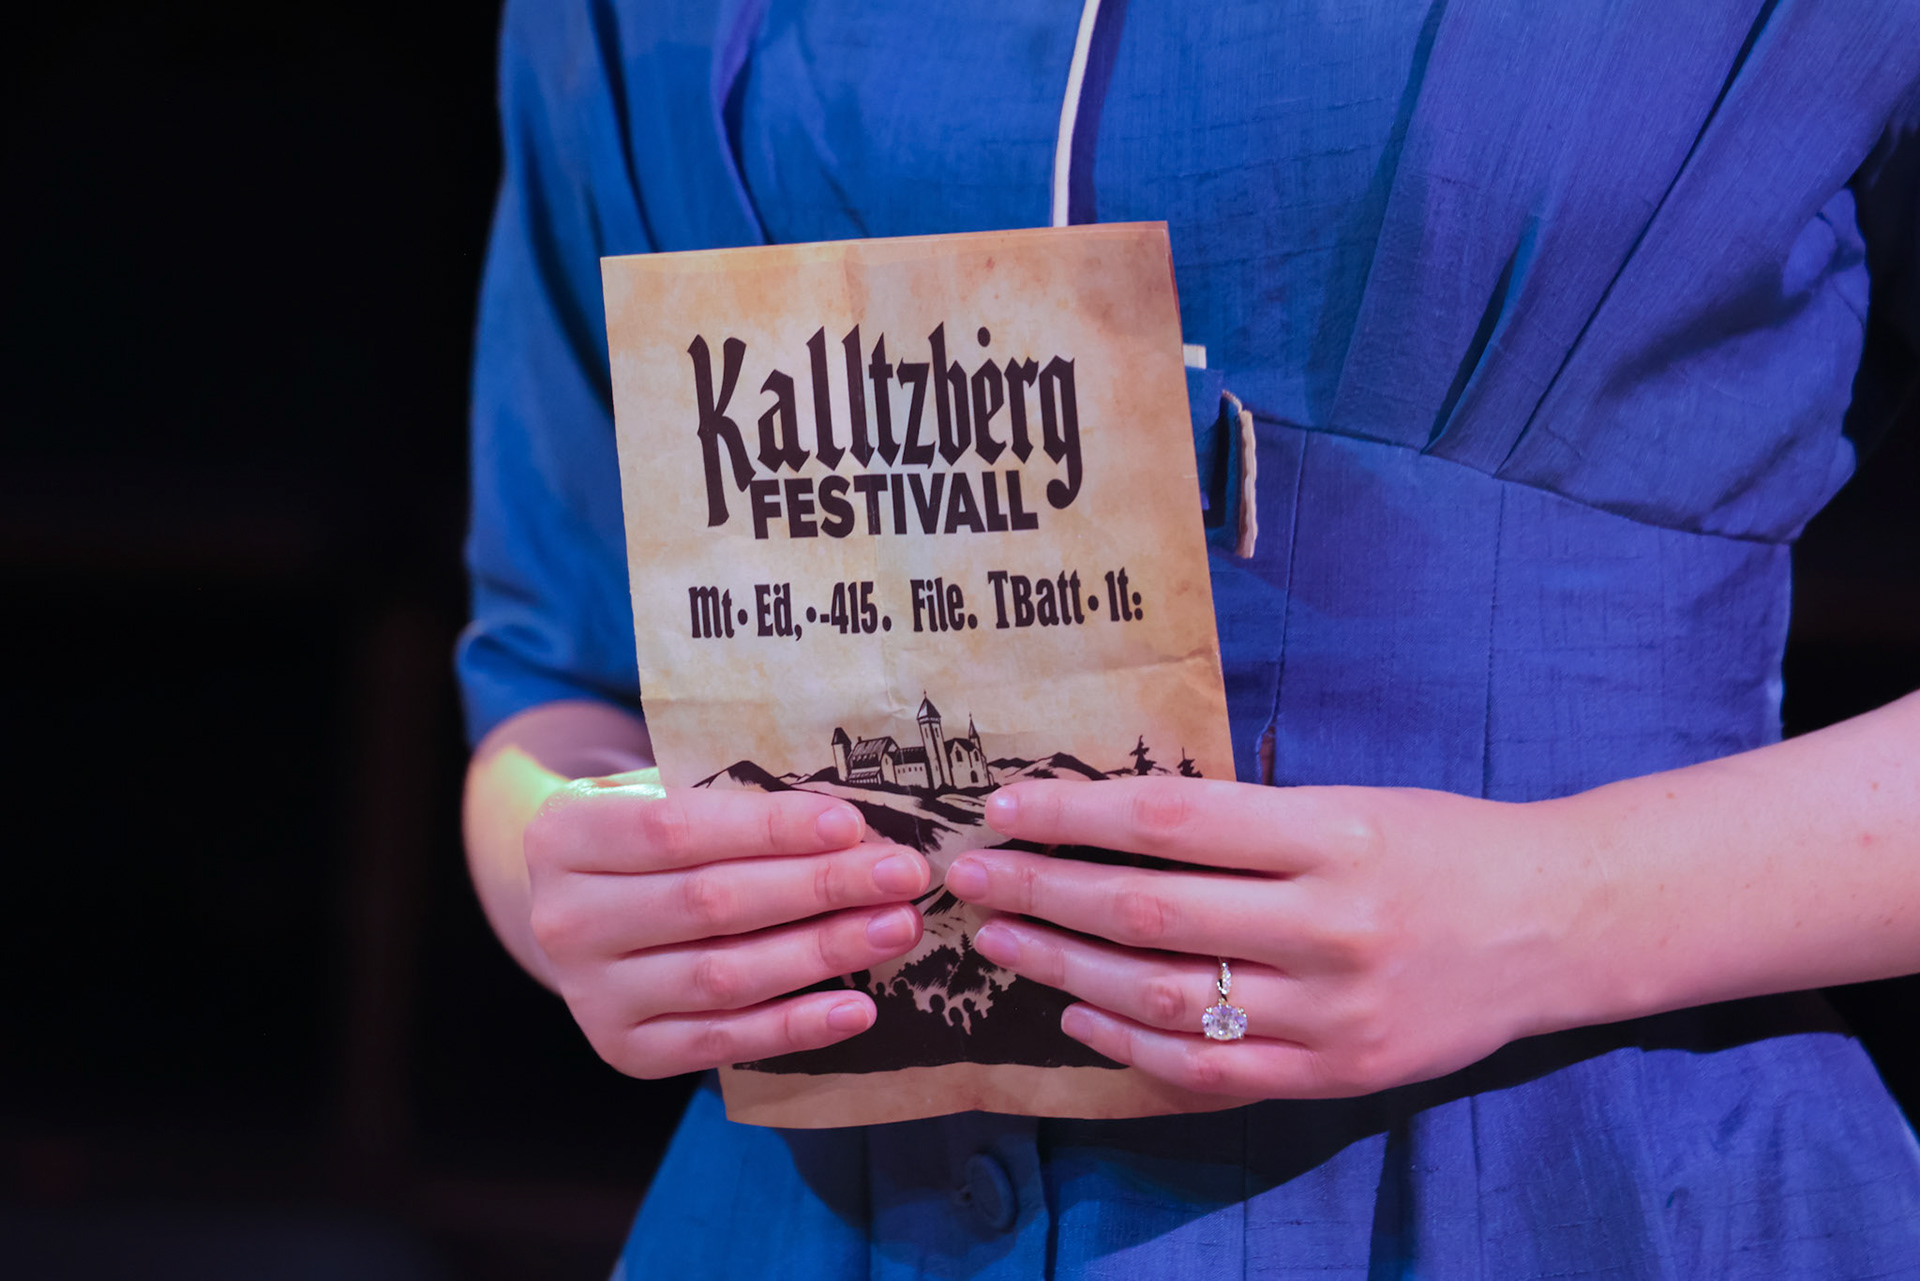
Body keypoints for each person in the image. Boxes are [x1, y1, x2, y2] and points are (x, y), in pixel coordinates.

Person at [458, 1, 1920, 1275]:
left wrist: (1552, 909)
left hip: (1583, 1182)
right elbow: (557, 681)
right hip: (811, 1214)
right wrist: (580, 882)